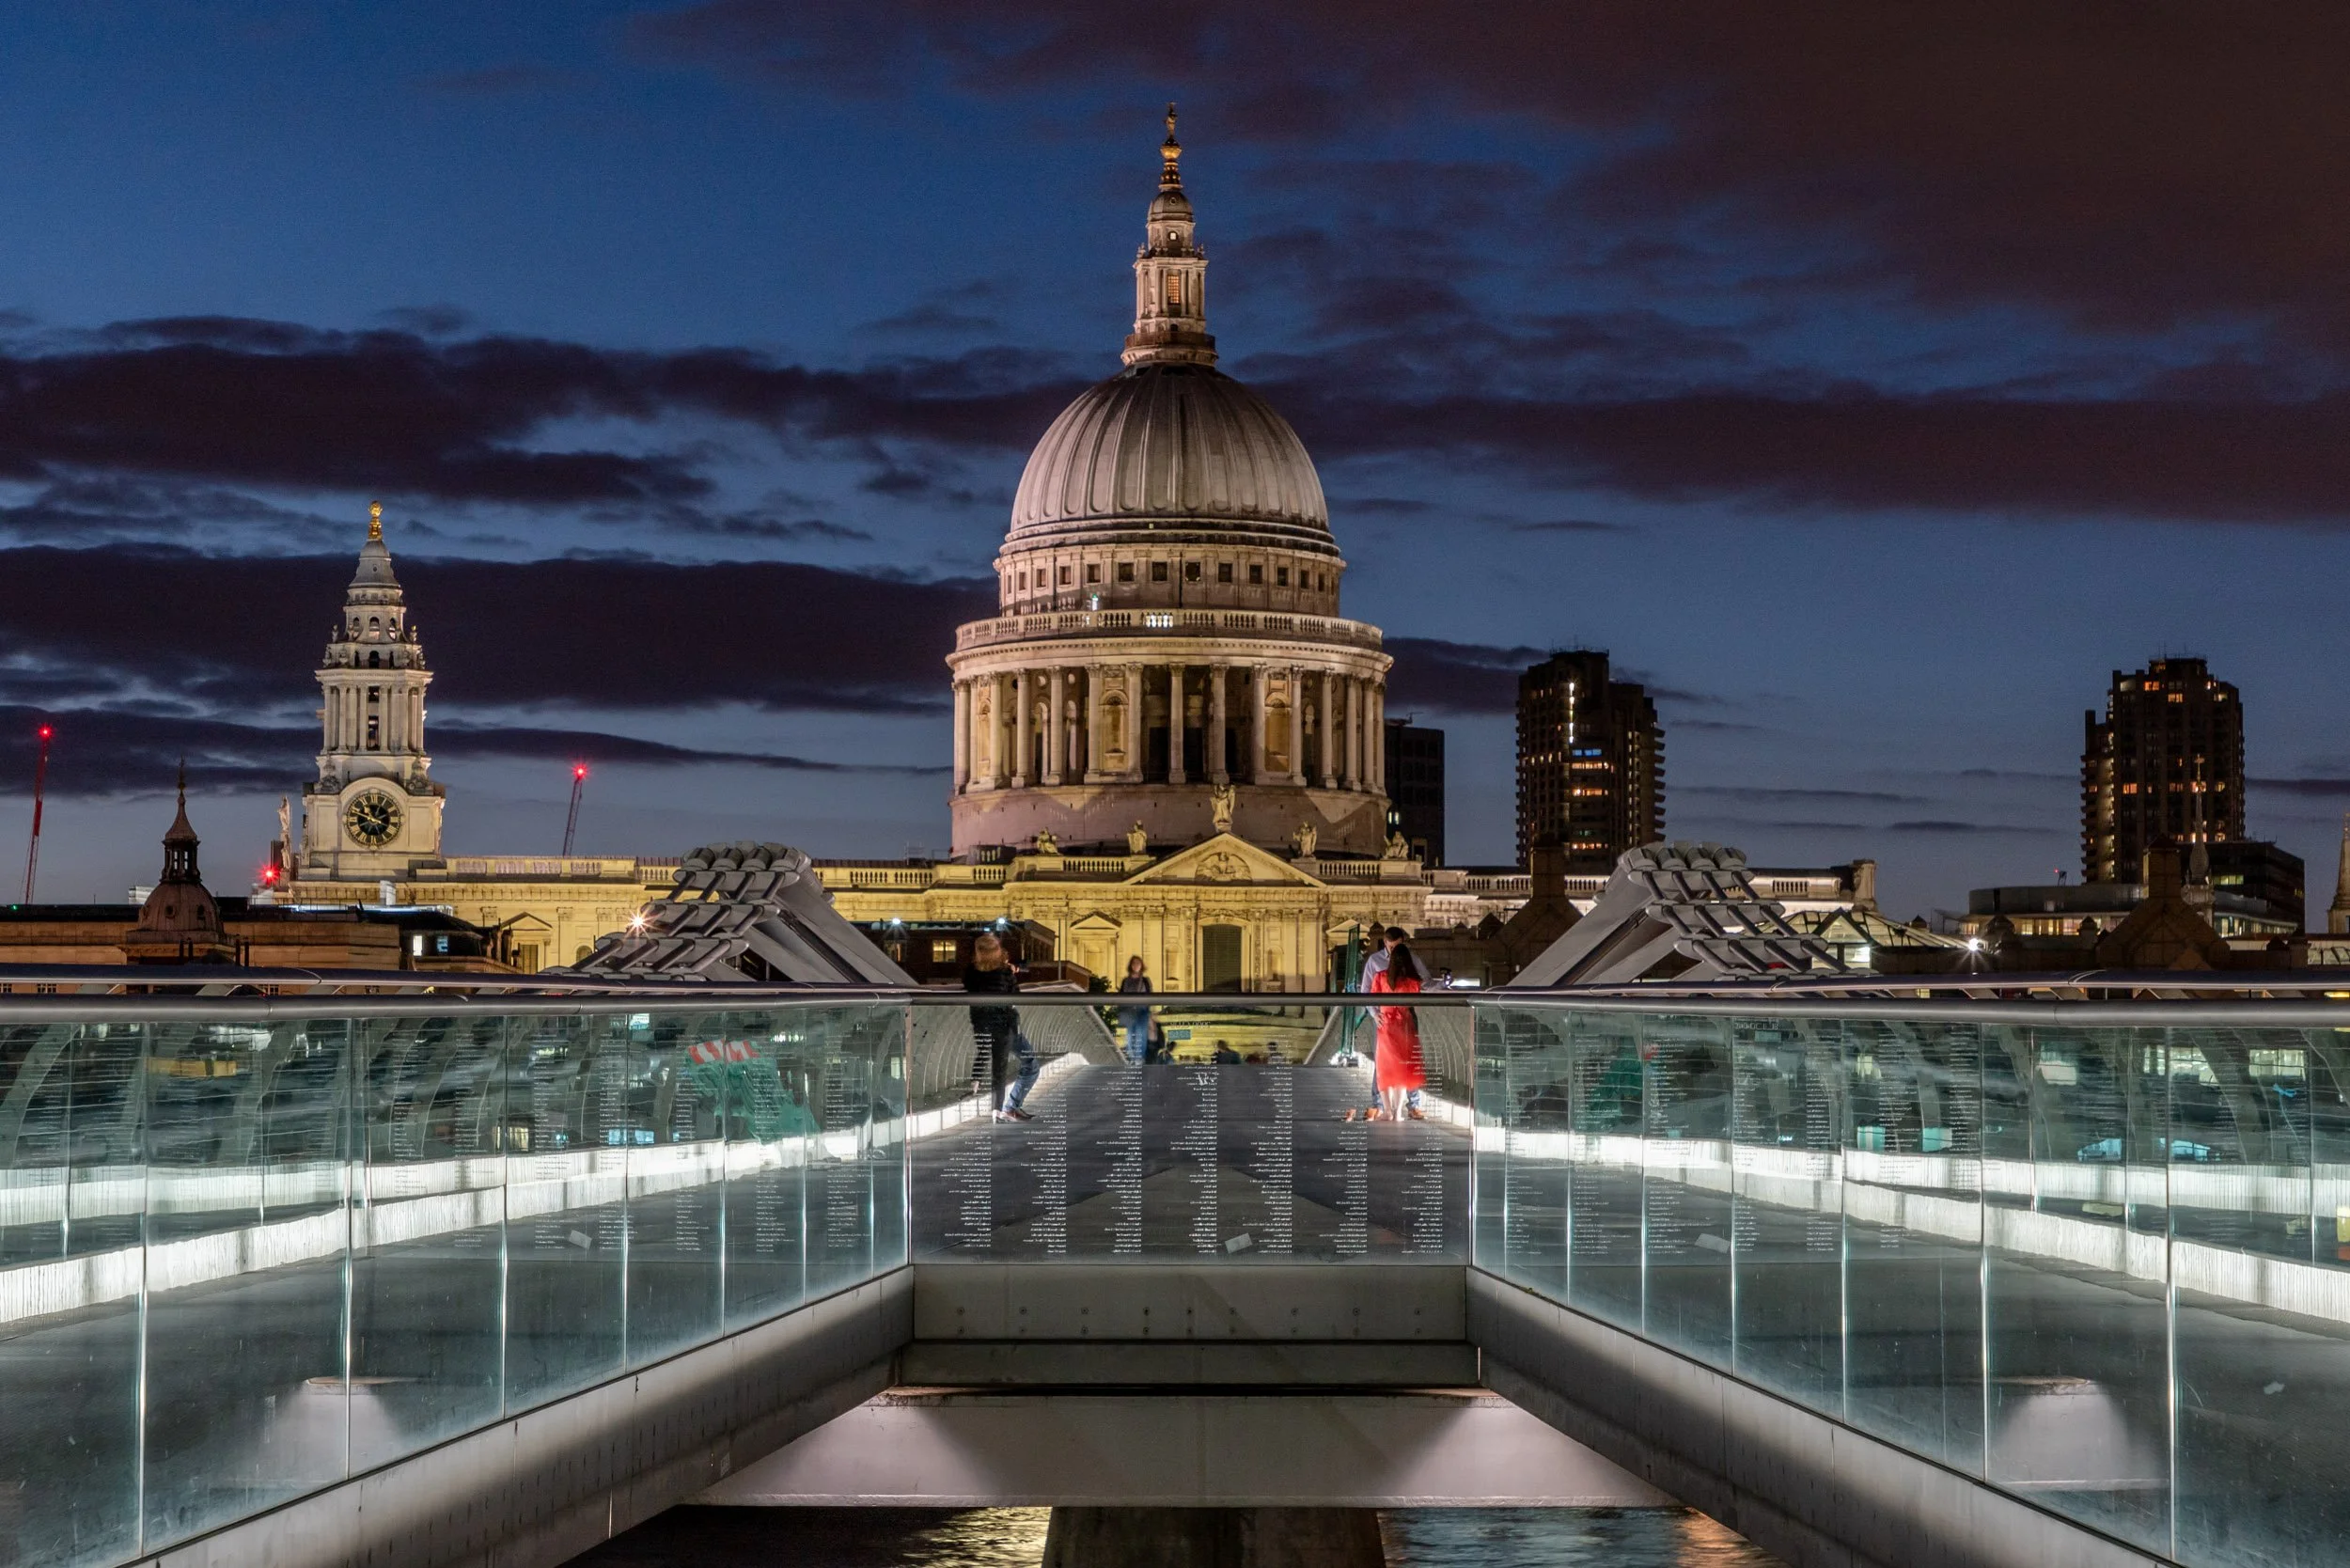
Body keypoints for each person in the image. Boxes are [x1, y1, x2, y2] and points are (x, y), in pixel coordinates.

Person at [1349, 926, 1430, 1121]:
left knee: (1389, 1060)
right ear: (1385, 943)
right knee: (1402, 1060)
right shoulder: (1375, 961)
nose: (1394, 950)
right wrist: (1374, 1013)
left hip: (1392, 1018)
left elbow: (1369, 990)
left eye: (1397, 946)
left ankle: (1397, 1107)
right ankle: (1389, 1107)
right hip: (1391, 1017)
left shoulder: (1386, 972)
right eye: (1391, 946)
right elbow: (1423, 984)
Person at [964, 933, 1038, 1121]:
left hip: (981, 1023)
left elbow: (968, 984)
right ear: (998, 950)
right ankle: (1006, 1108)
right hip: (1005, 1026)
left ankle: (978, 1085)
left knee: (984, 1052)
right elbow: (1016, 995)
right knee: (1016, 1065)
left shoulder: (971, 972)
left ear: (978, 952)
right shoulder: (1004, 972)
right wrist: (1010, 971)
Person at [1369, 938, 1427, 1123]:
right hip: (1404, 1025)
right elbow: (1415, 1000)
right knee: (1401, 1068)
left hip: (1385, 1024)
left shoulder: (1380, 977)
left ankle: (1387, 1111)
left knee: (1384, 1068)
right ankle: (1398, 1113)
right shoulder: (1412, 981)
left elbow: (1371, 997)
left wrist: (1376, 1014)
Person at [1117, 955, 1153, 1065]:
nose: (1136, 965)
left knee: (1141, 1034)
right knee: (1130, 1035)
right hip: (1129, 1011)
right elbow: (1121, 996)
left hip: (1142, 1010)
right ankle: (1132, 1059)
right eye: (1134, 963)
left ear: (1141, 966)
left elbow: (1150, 996)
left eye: (1138, 963)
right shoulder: (1125, 981)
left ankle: (1139, 1059)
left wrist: (1150, 1012)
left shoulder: (1145, 981)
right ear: (1131, 966)